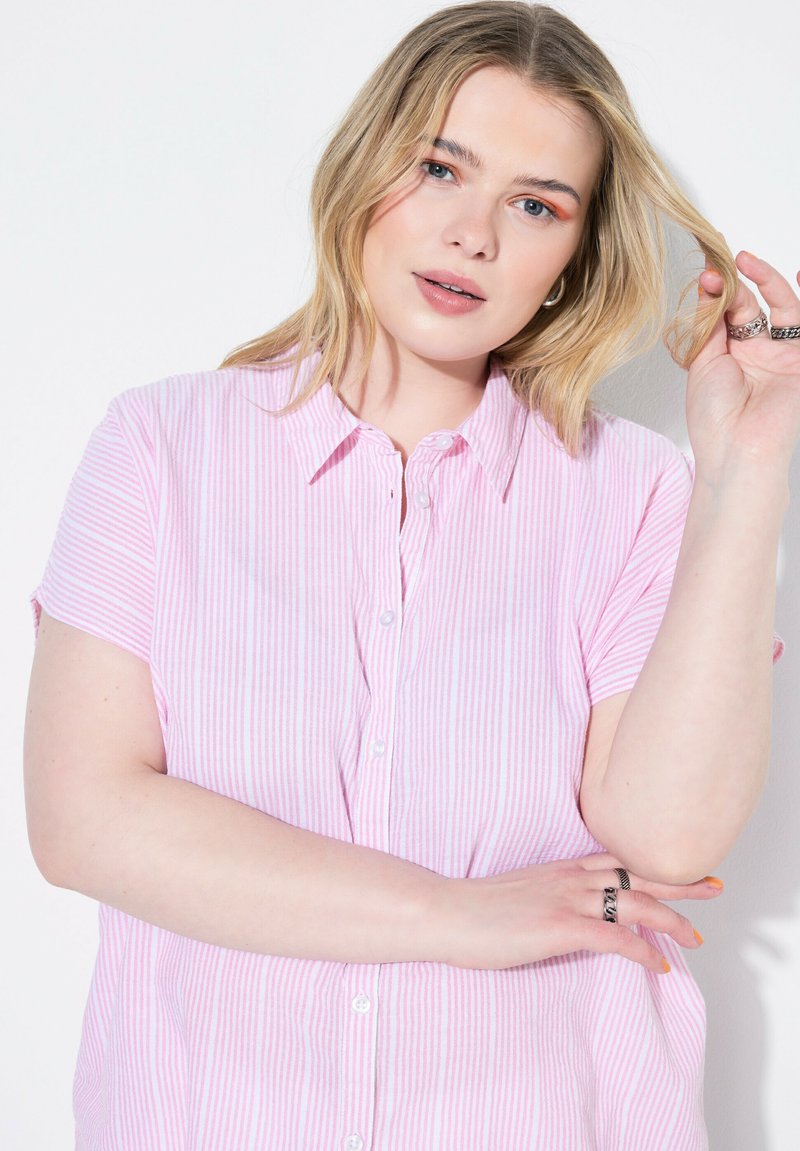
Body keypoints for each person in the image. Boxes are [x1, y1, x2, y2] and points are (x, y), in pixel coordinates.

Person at [23, 2, 799, 1148]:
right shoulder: (160, 448)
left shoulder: (632, 490)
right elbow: (84, 818)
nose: (472, 234)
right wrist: (456, 913)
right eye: (440, 168)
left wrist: (741, 473)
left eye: (535, 205)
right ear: (363, 167)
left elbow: (665, 836)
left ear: (570, 258)